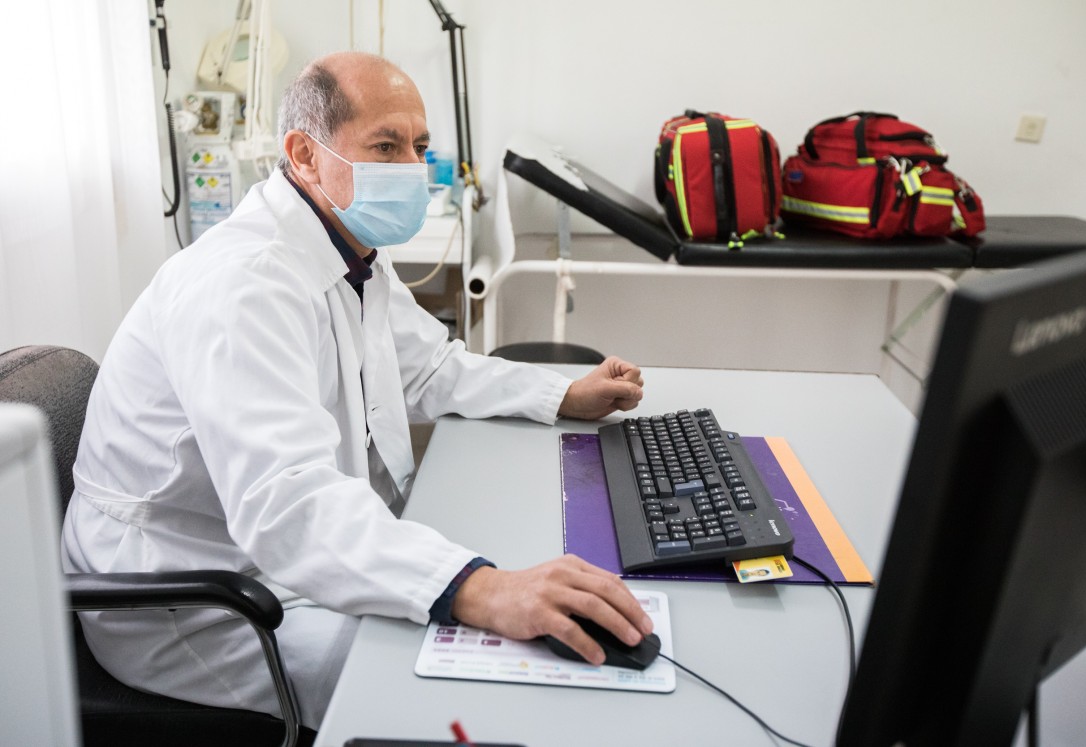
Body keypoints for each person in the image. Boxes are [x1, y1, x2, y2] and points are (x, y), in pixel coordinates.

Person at [61, 51, 650, 729]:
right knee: (448, 681)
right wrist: (479, 586)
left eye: (419, 147)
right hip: (190, 601)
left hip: (268, 560)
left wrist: (561, 393)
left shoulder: (347, 248)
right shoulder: (241, 285)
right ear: (305, 156)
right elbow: (287, 502)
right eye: (385, 145)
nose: (411, 168)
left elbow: (430, 367)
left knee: (477, 637)